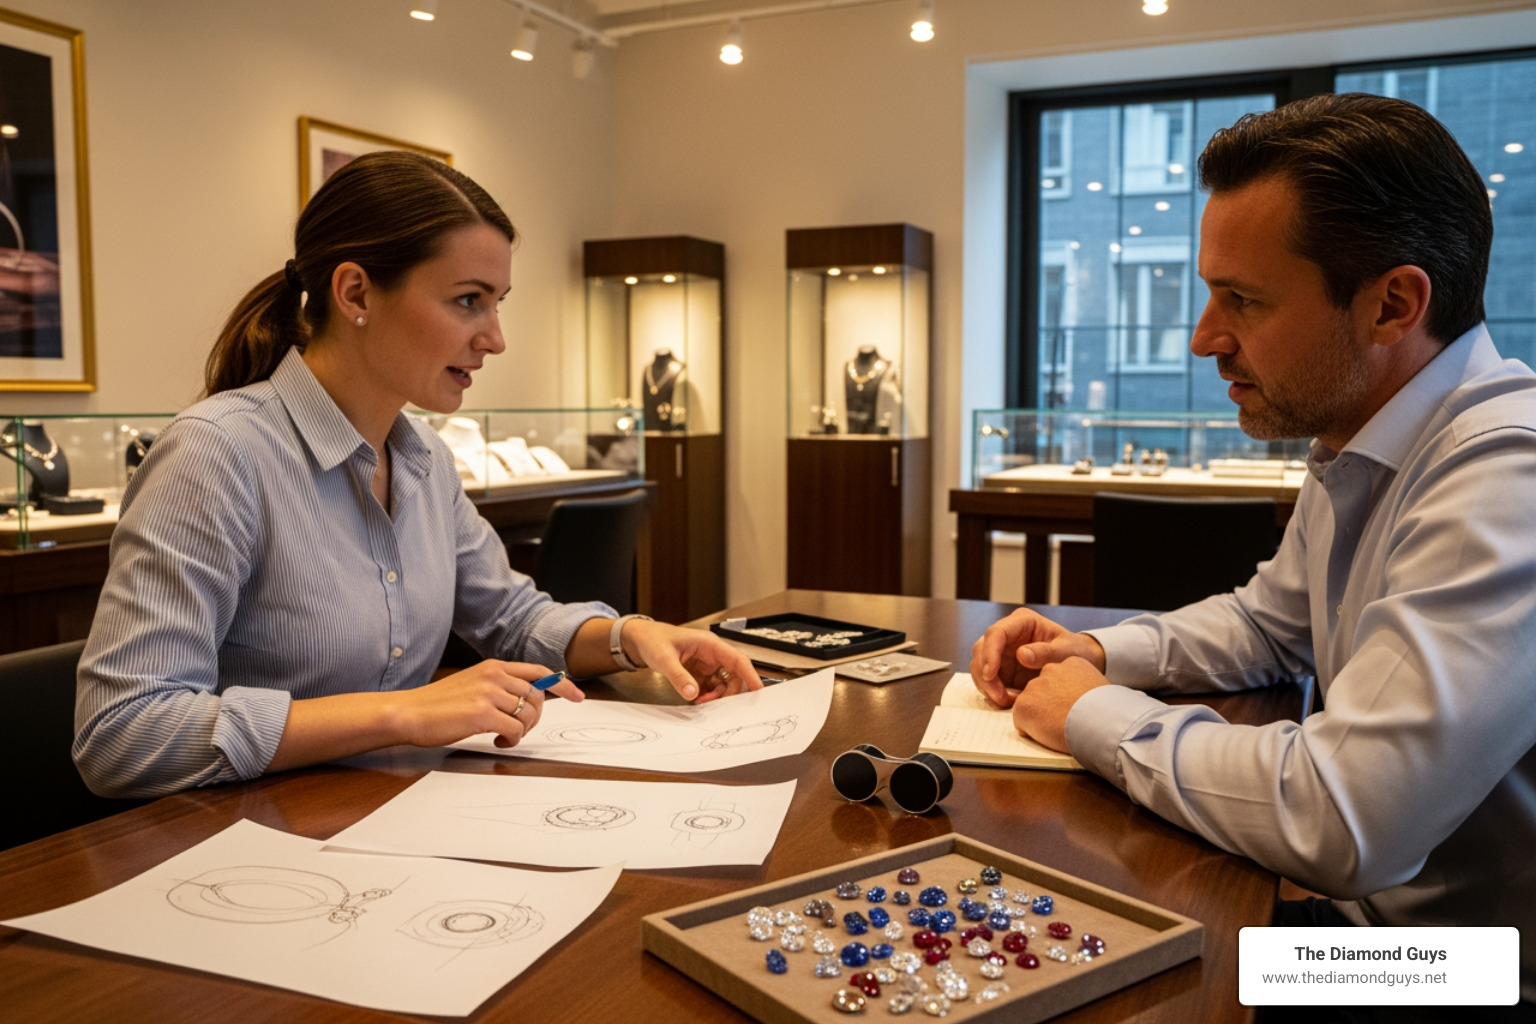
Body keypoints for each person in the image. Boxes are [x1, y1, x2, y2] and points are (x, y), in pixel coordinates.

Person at [972, 93, 1536, 1009]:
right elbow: (1271, 625)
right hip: (1376, 928)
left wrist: (1093, 711)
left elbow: (1343, 819)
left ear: (1394, 304)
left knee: (1110, 987)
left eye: (1244, 300)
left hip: (1472, 975)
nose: (1204, 338)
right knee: (1063, 951)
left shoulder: (1507, 479)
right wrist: (1102, 651)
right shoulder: (1364, 434)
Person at [74, 152, 760, 800]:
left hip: (391, 814)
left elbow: (513, 618)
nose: (494, 337)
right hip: (245, 848)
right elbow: (123, 734)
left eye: (498, 304)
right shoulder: (216, 456)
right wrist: (401, 713)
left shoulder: (422, 461)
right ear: (355, 293)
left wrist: (629, 636)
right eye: (469, 300)